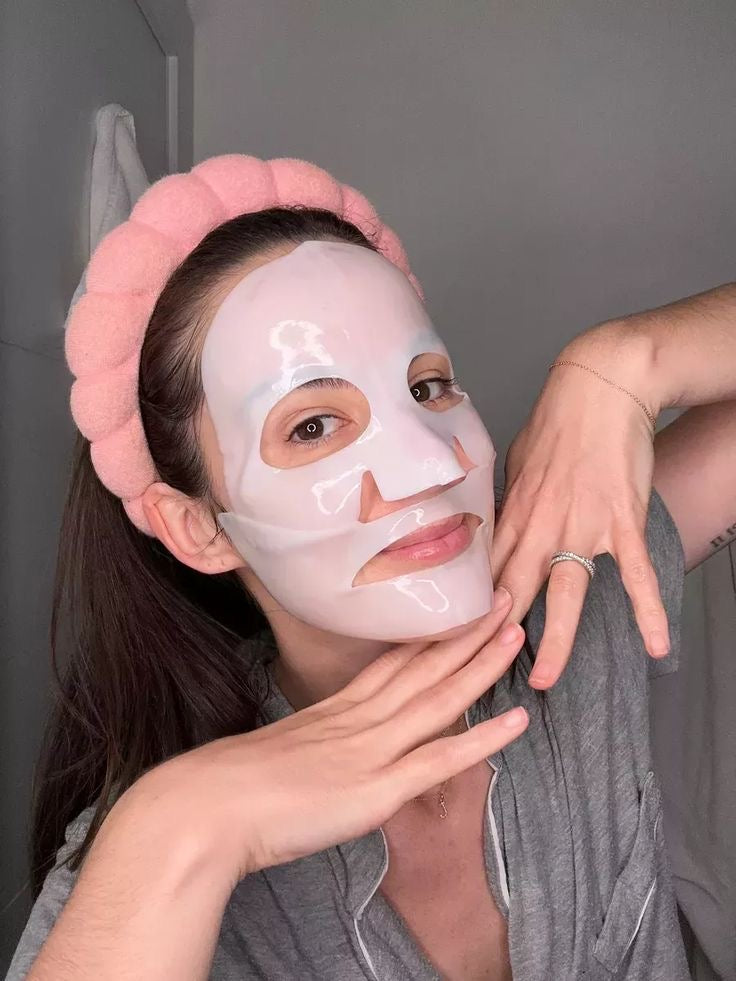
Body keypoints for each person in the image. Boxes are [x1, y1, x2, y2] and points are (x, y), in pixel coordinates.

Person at [5, 155, 735, 981]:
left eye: (428, 388)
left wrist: (630, 359)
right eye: (313, 426)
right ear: (199, 528)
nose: (430, 462)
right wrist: (175, 826)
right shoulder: (155, 864)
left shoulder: (566, 594)